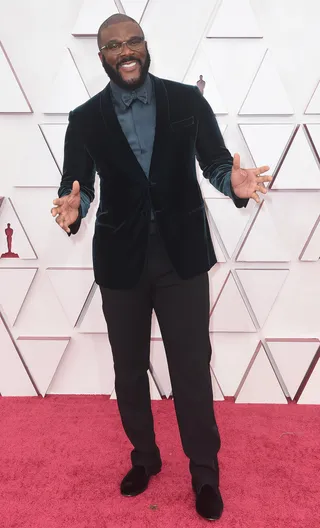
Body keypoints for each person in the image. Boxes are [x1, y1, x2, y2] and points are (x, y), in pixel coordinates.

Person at [51, 13, 271, 521]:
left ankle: (205, 474)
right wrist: (73, 209)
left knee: (191, 369)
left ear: (145, 46)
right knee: (129, 372)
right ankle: (145, 458)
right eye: (113, 45)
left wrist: (230, 182)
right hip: (121, 261)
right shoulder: (84, 119)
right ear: (101, 55)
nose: (125, 51)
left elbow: (216, 163)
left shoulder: (187, 101)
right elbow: (76, 185)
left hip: (182, 257)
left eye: (133, 41)